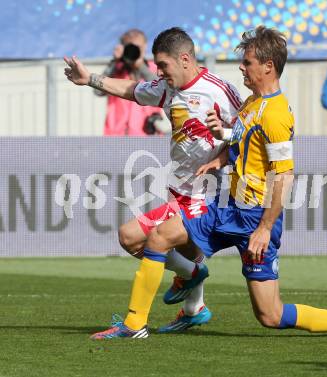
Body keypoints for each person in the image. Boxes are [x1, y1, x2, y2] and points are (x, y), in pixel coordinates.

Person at [79, 26, 327, 339]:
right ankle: (135, 325)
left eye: (248, 62)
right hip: (225, 206)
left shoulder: (276, 114)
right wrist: (222, 155)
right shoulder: (253, 103)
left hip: (255, 217)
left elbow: (283, 175)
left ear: (268, 66)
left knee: (271, 315)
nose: (242, 66)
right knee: (158, 238)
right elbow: (243, 140)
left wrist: (265, 228)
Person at [64, 27, 242, 336]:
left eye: (163, 65)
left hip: (205, 196)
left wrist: (222, 155)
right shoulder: (167, 88)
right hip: (179, 190)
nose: (158, 71)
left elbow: (247, 134)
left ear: (185, 59)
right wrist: (89, 79)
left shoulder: (219, 90)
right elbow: (133, 89)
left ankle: (139, 321)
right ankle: (194, 309)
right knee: (178, 251)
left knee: (131, 237)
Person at [95, 28, 170, 136]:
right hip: (116, 134)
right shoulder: (116, 69)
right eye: (129, 47)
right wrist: (114, 62)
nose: (133, 51)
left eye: (137, 47)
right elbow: (98, 92)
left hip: (147, 135)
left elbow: (163, 89)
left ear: (144, 47)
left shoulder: (154, 68)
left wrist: (140, 66)